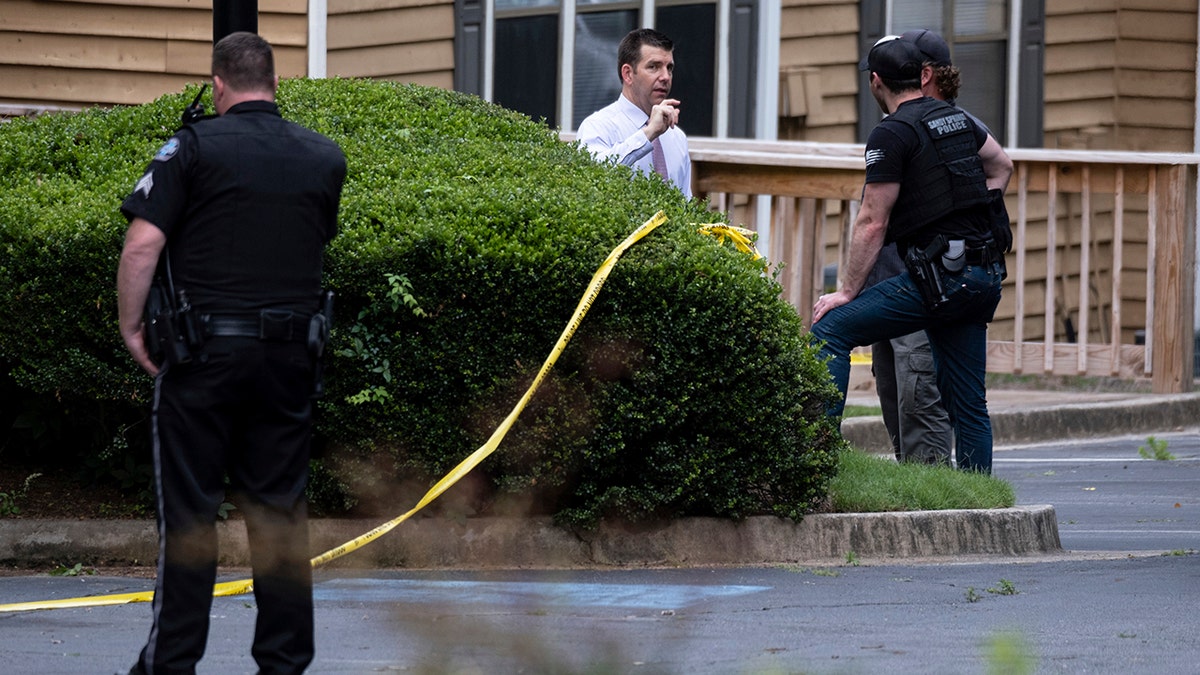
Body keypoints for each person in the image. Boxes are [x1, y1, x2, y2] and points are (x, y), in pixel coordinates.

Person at [117, 31, 347, 674]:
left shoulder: (191, 148)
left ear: (218, 85)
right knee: (279, 516)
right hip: (290, 361)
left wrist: (134, 330)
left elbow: (141, 247)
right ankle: (283, 665)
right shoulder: (323, 157)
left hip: (202, 360)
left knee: (189, 518)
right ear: (274, 84)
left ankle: (171, 665)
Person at [811, 36, 1013, 473]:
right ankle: (979, 496)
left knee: (831, 329)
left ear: (876, 81)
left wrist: (846, 291)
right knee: (969, 402)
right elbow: (1002, 165)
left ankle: (814, 462)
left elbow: (872, 221)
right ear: (922, 76)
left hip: (936, 279)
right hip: (981, 275)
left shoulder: (891, 132)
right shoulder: (956, 119)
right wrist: (976, 207)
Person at [865, 29, 1003, 467]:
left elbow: (1002, 166)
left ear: (924, 75)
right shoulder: (899, 129)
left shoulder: (958, 128)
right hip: (887, 285)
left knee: (924, 409)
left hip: (925, 290)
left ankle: (941, 510)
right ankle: (917, 501)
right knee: (899, 409)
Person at [576, 28, 691, 197]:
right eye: (654, 67)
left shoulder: (677, 137)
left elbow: (685, 206)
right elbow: (594, 176)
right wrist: (648, 134)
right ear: (628, 74)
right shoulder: (598, 126)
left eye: (669, 68)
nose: (666, 77)